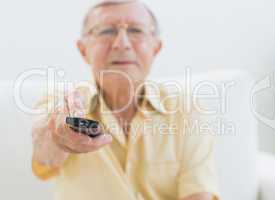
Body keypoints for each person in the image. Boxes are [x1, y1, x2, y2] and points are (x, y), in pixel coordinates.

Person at [31, 1, 219, 199]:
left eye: (136, 30)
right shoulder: (61, 105)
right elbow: (45, 155)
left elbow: (199, 193)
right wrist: (58, 139)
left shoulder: (187, 110)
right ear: (83, 49)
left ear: (156, 48)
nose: (122, 43)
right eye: (106, 31)